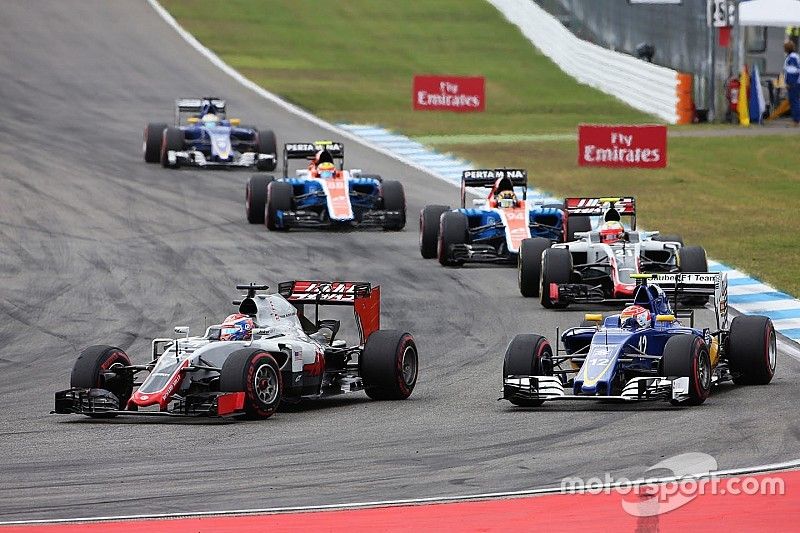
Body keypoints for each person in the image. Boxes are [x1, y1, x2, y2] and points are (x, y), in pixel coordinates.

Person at [784, 41, 800, 126]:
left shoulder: (791, 58)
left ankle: (796, 121)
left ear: (787, 49)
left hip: (794, 83)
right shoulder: (795, 56)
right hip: (796, 82)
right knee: (795, 101)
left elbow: (792, 71)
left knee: (794, 101)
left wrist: (789, 83)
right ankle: (796, 120)